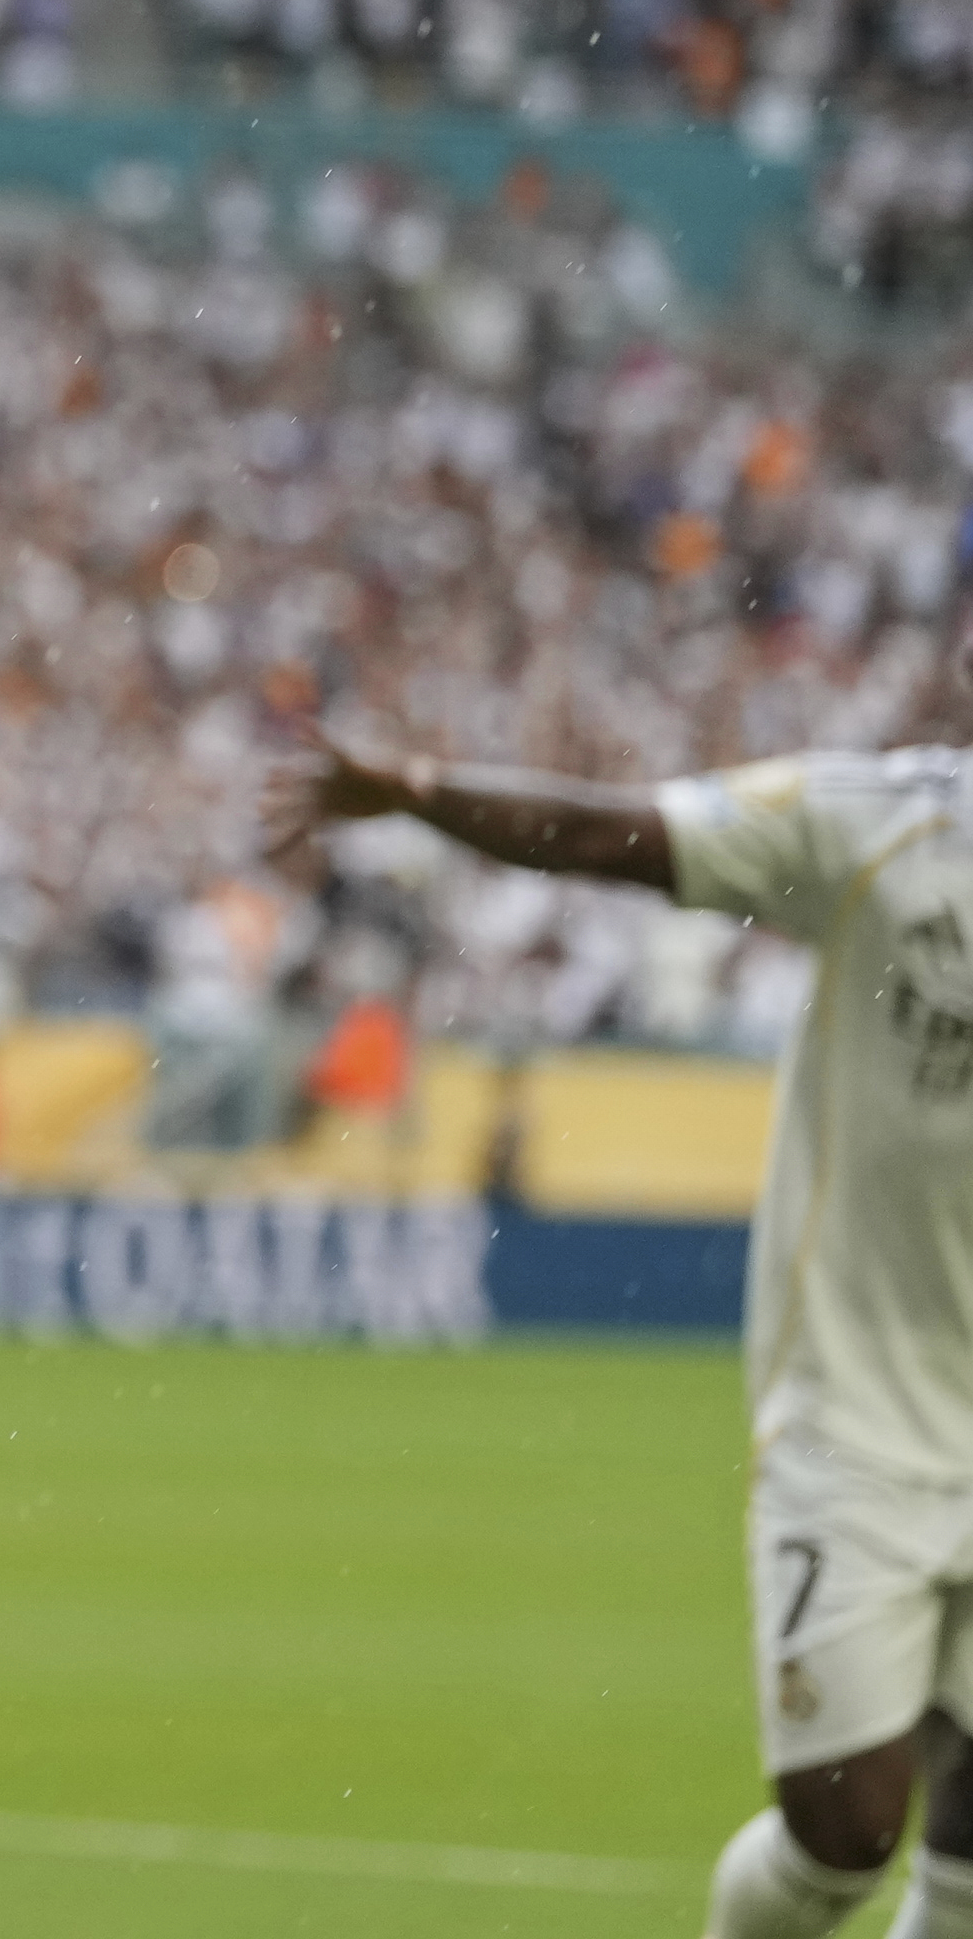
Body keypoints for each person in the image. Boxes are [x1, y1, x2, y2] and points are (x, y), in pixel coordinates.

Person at [273, 726, 973, 1939]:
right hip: (860, 1417)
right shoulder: (876, 825)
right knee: (844, 1831)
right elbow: (617, 832)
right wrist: (426, 797)